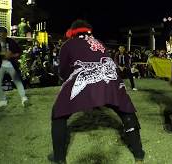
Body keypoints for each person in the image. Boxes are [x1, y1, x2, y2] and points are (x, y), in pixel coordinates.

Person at [49, 20, 145, 164]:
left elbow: (63, 71)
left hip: (87, 77)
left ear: (72, 32)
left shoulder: (68, 44)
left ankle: (59, 157)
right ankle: (138, 153)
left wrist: (68, 78)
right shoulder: (98, 42)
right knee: (126, 111)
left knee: (58, 113)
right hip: (112, 80)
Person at [0, 27, 28, 107]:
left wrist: (12, 55)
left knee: (17, 81)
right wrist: (2, 54)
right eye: (1, 35)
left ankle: (24, 98)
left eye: (4, 34)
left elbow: (19, 52)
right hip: (1, 66)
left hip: (11, 65)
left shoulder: (11, 41)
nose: (3, 37)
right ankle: (3, 100)